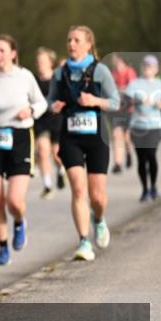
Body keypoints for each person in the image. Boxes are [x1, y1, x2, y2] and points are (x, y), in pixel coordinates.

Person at [46, 25, 120, 262]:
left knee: (97, 196)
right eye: (69, 40)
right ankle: (83, 241)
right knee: (78, 189)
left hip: (97, 136)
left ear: (89, 44)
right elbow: (50, 101)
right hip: (71, 136)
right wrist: (54, 107)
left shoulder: (100, 71)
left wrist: (95, 100)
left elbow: (116, 102)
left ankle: (98, 220)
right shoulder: (60, 73)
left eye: (77, 40)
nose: (71, 44)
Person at [0, 36, 47, 265]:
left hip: (20, 137)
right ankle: (3, 247)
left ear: (13, 53)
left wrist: (31, 111)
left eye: (2, 50)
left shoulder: (24, 76)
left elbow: (42, 103)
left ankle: (19, 222)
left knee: (14, 200)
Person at [125, 55, 161, 201]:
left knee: (151, 155)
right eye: (145, 65)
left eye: (150, 66)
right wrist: (138, 99)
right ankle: (145, 190)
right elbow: (126, 99)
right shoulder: (134, 84)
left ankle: (154, 186)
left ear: (155, 69)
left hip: (154, 126)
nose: (147, 68)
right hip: (137, 126)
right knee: (141, 159)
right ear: (142, 67)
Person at [33, 47, 65, 199]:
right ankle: (47, 185)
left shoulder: (58, 79)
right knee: (43, 152)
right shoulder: (33, 81)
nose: (40, 64)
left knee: (56, 153)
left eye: (43, 61)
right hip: (40, 120)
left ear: (50, 62)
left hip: (56, 119)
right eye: (38, 61)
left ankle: (61, 170)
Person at [109, 53, 138, 174]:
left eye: (115, 59)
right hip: (117, 109)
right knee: (116, 135)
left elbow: (133, 88)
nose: (114, 62)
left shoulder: (129, 71)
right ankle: (118, 163)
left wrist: (120, 89)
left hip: (129, 109)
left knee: (126, 136)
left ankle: (128, 153)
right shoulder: (112, 73)